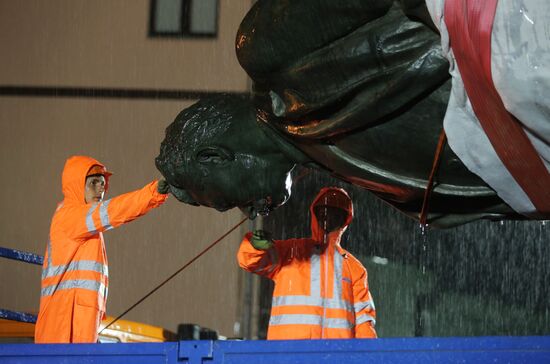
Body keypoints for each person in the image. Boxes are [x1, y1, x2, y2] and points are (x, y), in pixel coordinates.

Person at [35, 155, 171, 343]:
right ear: (77, 186)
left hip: (74, 322)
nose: (101, 188)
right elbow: (115, 210)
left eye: (102, 183)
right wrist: (154, 192)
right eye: (93, 183)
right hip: (63, 326)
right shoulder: (70, 217)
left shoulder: (84, 225)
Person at [237, 187, 377, 339]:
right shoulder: (291, 252)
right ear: (314, 214)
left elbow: (364, 321)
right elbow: (249, 261)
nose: (327, 217)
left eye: (334, 214)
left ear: (345, 220)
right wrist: (255, 247)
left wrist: (367, 356)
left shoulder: (355, 269)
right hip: (290, 355)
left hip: (334, 357)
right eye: (323, 211)